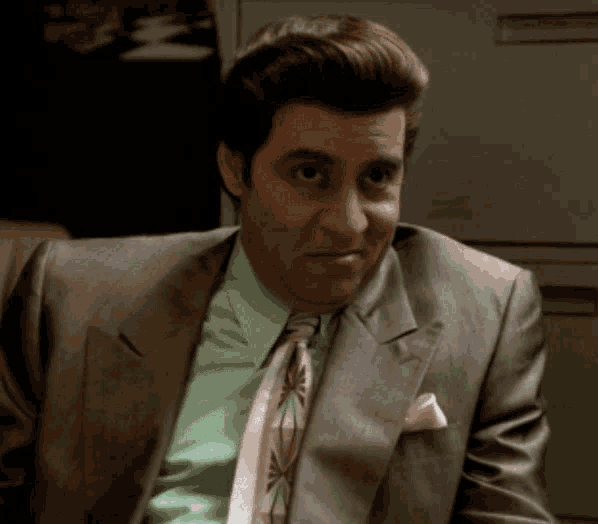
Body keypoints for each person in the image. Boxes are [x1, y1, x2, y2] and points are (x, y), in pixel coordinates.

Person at [0, 14, 557, 524]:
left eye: (377, 178)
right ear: (235, 169)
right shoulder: (70, 297)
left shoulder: (486, 312)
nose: (348, 224)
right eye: (310, 174)